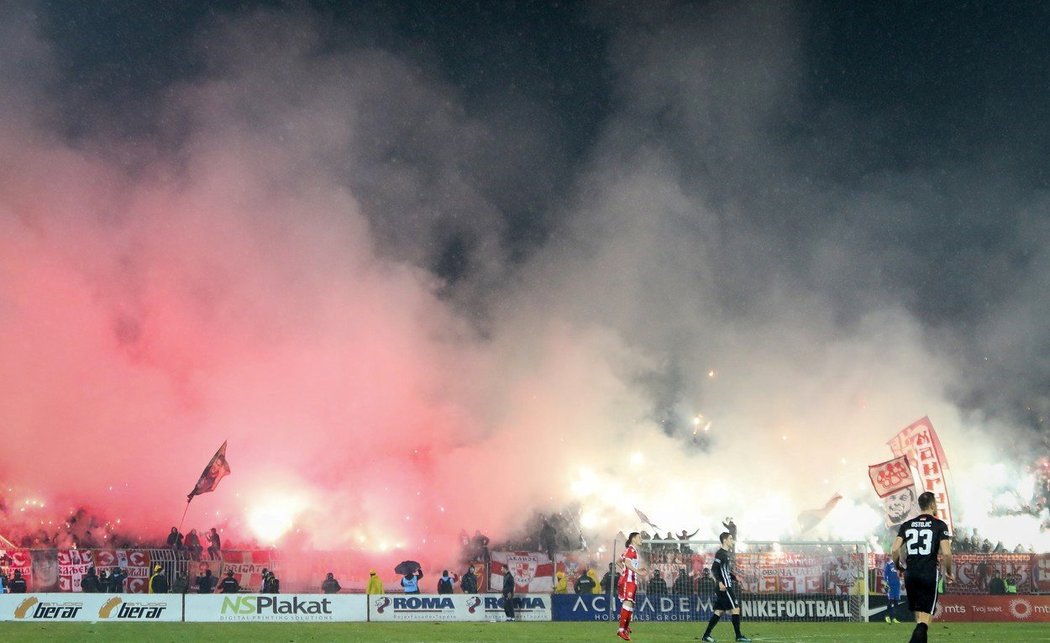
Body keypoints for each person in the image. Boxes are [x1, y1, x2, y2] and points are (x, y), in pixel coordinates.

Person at [891, 491, 954, 643]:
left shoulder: (907, 525)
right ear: (932, 505)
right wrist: (949, 573)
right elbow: (946, 553)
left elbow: (894, 549)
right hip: (928, 574)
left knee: (919, 619)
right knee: (925, 621)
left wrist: (898, 565)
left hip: (911, 575)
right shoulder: (939, 525)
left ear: (919, 506)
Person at [701, 531, 751, 643]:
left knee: (719, 611)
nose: (732, 541)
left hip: (724, 586)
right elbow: (714, 569)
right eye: (731, 538)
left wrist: (734, 577)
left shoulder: (725, 554)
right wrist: (719, 582)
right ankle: (738, 636)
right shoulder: (720, 554)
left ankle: (706, 636)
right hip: (725, 587)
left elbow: (725, 571)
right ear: (725, 540)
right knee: (736, 609)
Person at [616, 531, 644, 641]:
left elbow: (619, 561)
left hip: (630, 580)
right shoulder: (631, 550)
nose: (641, 539)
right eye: (639, 537)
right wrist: (637, 571)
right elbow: (627, 563)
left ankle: (625, 628)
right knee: (627, 603)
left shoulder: (630, 550)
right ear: (633, 539)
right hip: (628, 581)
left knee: (630, 604)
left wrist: (626, 570)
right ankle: (621, 630)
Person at [884, 559, 902, 623]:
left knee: (896, 602)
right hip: (890, 585)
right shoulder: (889, 564)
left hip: (897, 585)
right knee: (891, 600)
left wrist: (901, 582)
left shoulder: (899, 565)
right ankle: (887, 616)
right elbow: (885, 574)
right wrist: (885, 583)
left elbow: (901, 574)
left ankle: (894, 618)